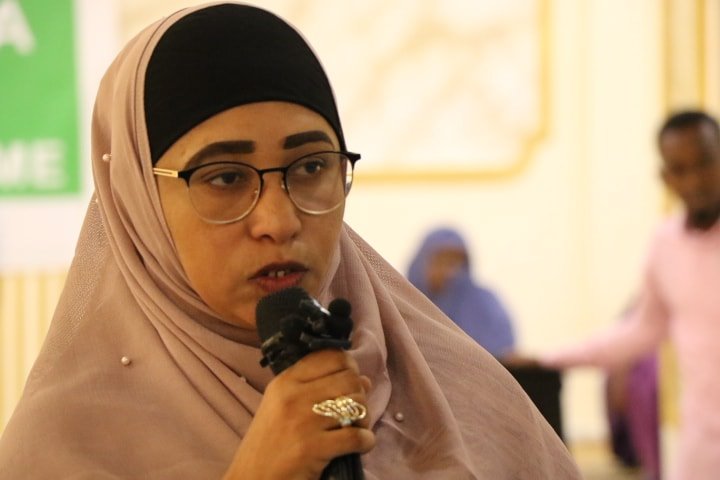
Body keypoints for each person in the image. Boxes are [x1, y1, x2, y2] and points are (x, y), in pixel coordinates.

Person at [0, 3, 580, 479]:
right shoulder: (62, 445)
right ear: (140, 202)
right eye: (225, 178)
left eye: (309, 168)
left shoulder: (459, 397)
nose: (278, 221)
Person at [541, 110, 720, 480]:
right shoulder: (665, 245)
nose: (695, 180)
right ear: (666, 177)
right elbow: (642, 330)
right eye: (680, 169)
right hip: (701, 450)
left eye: (705, 163)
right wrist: (550, 358)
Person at [407, 227, 516, 359]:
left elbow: (503, 352)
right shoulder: (404, 302)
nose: (448, 271)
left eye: (454, 263)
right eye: (441, 261)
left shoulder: (484, 305)